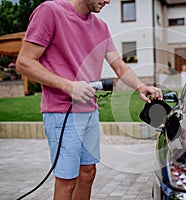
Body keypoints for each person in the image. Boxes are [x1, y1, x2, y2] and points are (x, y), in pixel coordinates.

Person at [16, 0, 162, 199]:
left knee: (88, 173)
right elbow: (24, 63)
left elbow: (119, 65)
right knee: (67, 181)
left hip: (89, 113)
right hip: (61, 113)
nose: (108, 1)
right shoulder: (50, 11)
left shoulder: (101, 26)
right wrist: (69, 86)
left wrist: (140, 86)